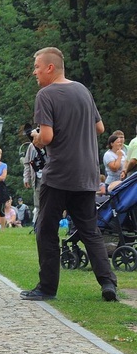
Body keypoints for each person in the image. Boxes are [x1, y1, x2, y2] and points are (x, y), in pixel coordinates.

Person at [21, 46, 117, 302]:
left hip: (60, 174)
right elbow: (100, 128)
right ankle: (108, 283)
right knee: (90, 231)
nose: (35, 72)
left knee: (46, 229)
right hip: (87, 173)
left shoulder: (46, 94)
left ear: (50, 68)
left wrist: (36, 139)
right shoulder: (83, 90)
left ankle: (47, 287)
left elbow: (48, 136)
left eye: (37, 67)